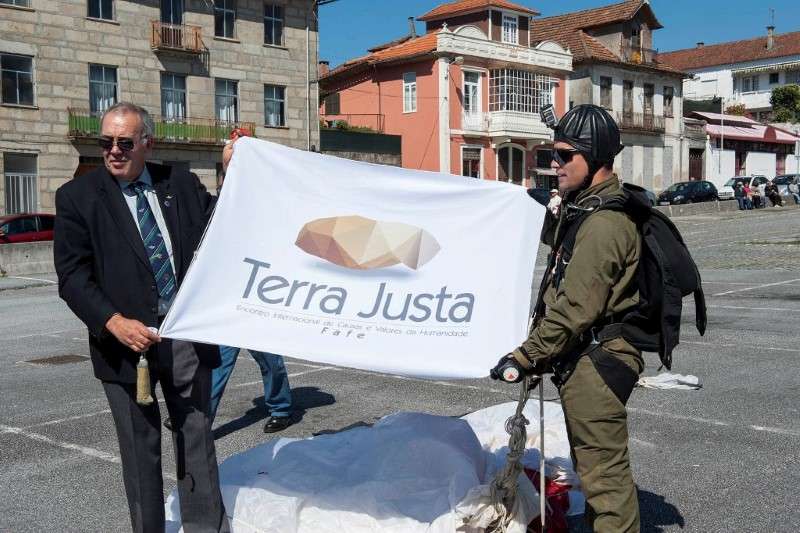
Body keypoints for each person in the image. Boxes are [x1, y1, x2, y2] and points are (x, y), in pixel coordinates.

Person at [54, 102, 230, 532]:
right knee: (139, 450)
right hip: (124, 346)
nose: (113, 151)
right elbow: (72, 276)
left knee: (196, 439)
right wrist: (112, 321)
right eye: (106, 142)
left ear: (146, 143)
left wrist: (234, 171)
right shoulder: (78, 197)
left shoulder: (182, 185)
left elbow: (222, 224)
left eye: (124, 142)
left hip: (183, 337)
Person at [491, 104, 643, 532]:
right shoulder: (587, 211)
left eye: (564, 156)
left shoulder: (605, 224)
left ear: (594, 161)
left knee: (606, 483)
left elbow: (575, 307)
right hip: (584, 357)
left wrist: (525, 357)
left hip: (597, 363)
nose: (553, 164)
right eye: (553, 154)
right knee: (595, 475)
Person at [212, 130, 294, 432]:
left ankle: (281, 408)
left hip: (260, 294)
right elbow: (222, 206)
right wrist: (228, 165)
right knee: (219, 360)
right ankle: (200, 416)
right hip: (233, 294)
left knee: (270, 359)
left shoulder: (268, 202)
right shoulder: (230, 199)